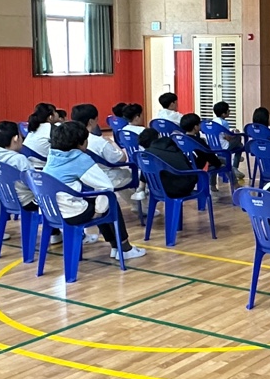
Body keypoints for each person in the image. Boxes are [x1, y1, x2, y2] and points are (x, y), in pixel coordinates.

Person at [44, 121, 143, 261]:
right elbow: (106, 186)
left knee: (98, 199)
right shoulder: (79, 158)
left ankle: (115, 246)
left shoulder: (52, 155)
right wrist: (98, 211)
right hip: (72, 214)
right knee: (109, 200)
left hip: (51, 212)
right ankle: (124, 247)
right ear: (80, 143)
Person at [71, 103, 133, 189]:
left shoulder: (69, 139)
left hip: (81, 180)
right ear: (91, 121)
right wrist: (112, 142)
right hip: (105, 179)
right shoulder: (99, 142)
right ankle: (133, 202)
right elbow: (122, 159)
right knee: (130, 173)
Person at [0, 120, 37, 210]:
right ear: (16, 138)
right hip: (26, 201)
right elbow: (34, 182)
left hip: (5, 199)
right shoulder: (19, 159)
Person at [137, 125, 199, 198]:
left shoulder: (148, 153)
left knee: (147, 163)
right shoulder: (171, 147)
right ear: (159, 136)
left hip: (158, 188)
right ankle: (141, 188)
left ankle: (141, 188)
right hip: (182, 187)